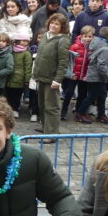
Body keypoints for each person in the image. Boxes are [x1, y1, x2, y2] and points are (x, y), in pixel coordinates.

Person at [32, 12, 70, 142]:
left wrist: (57, 80)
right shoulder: (46, 36)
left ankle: (52, 134)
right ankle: (45, 127)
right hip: (41, 77)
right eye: (52, 23)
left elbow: (63, 63)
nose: (53, 26)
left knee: (51, 107)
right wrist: (35, 74)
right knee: (42, 104)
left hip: (51, 79)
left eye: (57, 24)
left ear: (62, 27)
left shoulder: (62, 40)